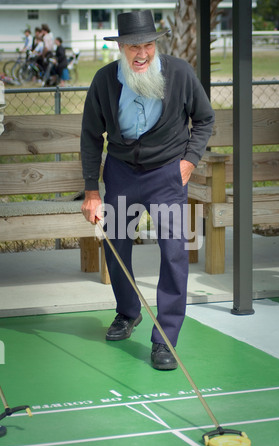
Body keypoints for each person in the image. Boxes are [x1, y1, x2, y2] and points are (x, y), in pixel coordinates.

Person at [80, 10, 215, 370]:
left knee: (174, 253)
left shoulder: (181, 74)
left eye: (147, 45)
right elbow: (92, 136)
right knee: (116, 246)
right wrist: (92, 191)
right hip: (122, 173)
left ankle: (165, 339)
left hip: (167, 176)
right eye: (132, 46)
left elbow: (204, 119)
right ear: (120, 47)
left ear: (156, 44)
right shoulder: (105, 80)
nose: (141, 53)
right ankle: (128, 312)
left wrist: (189, 161)